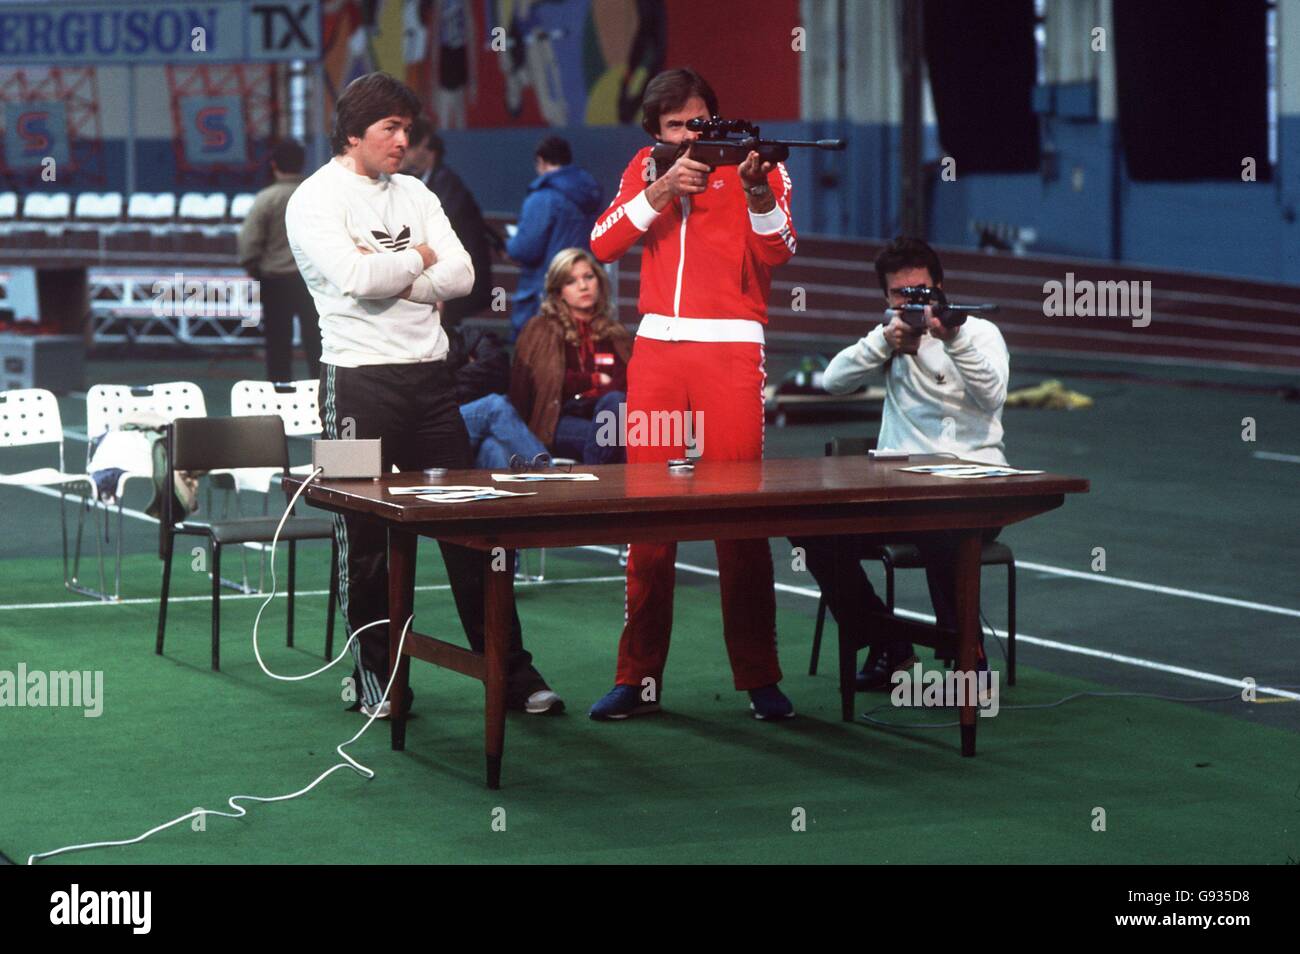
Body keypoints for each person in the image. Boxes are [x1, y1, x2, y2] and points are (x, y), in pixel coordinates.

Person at [285, 71, 562, 718]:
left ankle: (511, 674)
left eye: (408, 129)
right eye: (389, 128)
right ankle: (377, 678)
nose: (402, 141)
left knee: (469, 532)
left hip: (432, 385)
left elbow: (462, 273)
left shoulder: (416, 191)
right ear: (352, 132)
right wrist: (420, 259)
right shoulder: (314, 199)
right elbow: (355, 277)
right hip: (354, 385)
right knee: (364, 540)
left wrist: (399, 271)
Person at [586, 67, 798, 721]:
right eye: (676, 124)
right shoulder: (644, 167)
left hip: (732, 350)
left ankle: (759, 676)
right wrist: (658, 190)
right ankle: (637, 678)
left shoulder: (756, 166)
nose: (689, 135)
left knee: (740, 520)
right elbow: (601, 243)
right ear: (656, 130)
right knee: (649, 521)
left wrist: (758, 190)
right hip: (654, 354)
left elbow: (782, 251)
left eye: (698, 121)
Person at [789, 237, 1010, 690]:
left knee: (941, 520)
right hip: (898, 493)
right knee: (810, 527)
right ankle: (887, 642)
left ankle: (966, 653)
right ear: (887, 298)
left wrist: (955, 338)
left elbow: (993, 396)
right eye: (901, 295)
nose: (912, 302)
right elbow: (833, 382)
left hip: (973, 492)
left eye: (921, 291)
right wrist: (883, 341)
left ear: (940, 287)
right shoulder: (888, 339)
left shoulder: (981, 333)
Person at [509, 248, 633, 465]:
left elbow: (626, 383)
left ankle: (595, 486)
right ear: (558, 292)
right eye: (571, 281)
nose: (583, 286)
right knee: (615, 438)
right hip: (558, 421)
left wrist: (592, 387)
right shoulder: (541, 329)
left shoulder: (616, 332)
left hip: (607, 416)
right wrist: (594, 380)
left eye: (588, 277)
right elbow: (539, 384)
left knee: (614, 406)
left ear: (599, 281)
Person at [400, 119, 500, 328]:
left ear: (426, 146)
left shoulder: (447, 186)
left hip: (459, 282)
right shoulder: (427, 181)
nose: (402, 152)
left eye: (409, 147)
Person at [237, 140, 321, 382]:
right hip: (312, 280)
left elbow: (248, 243)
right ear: (302, 164)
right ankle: (322, 391)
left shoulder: (266, 198)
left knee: (277, 345)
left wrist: (255, 268)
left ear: (274, 165)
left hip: (275, 281)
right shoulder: (315, 195)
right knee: (317, 340)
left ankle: (278, 395)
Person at [506, 136, 603, 340]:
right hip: (585, 290)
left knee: (539, 355)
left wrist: (509, 246)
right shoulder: (591, 193)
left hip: (546, 291)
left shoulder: (543, 197)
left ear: (541, 161)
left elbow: (525, 249)